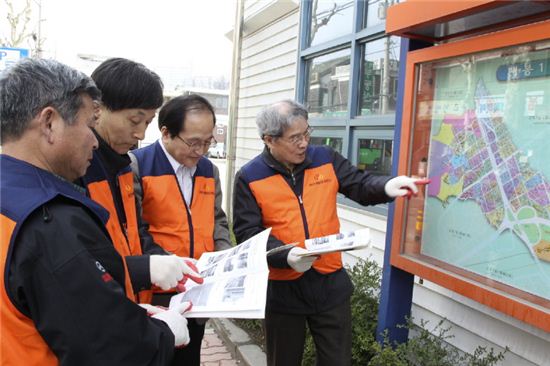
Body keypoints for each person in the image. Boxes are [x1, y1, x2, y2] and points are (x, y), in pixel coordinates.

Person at [0, 58, 191, 365]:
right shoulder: (49, 222)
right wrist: (163, 334)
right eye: (90, 124)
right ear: (49, 123)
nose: (94, 139)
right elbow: (110, 348)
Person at [232, 100, 427, 366]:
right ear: (269, 139)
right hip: (282, 289)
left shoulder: (325, 158)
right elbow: (248, 233)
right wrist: (285, 254)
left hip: (330, 282)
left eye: (306, 133)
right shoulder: (249, 176)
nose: (304, 143)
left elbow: (359, 184)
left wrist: (387, 185)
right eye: (295, 138)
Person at [78, 58, 200, 305]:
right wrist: (144, 268)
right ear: (98, 109)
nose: (141, 134)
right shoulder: (78, 170)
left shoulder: (124, 166)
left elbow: (134, 234)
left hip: (129, 302)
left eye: (147, 123)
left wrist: (166, 260)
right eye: (135, 121)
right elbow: (81, 262)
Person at [130, 94, 232, 366]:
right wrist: (170, 266)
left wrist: (225, 257)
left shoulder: (209, 170)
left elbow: (217, 220)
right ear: (166, 133)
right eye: (194, 142)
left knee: (190, 356)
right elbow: (135, 231)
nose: (201, 150)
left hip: (198, 290)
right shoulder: (138, 166)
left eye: (208, 141)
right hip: (157, 290)